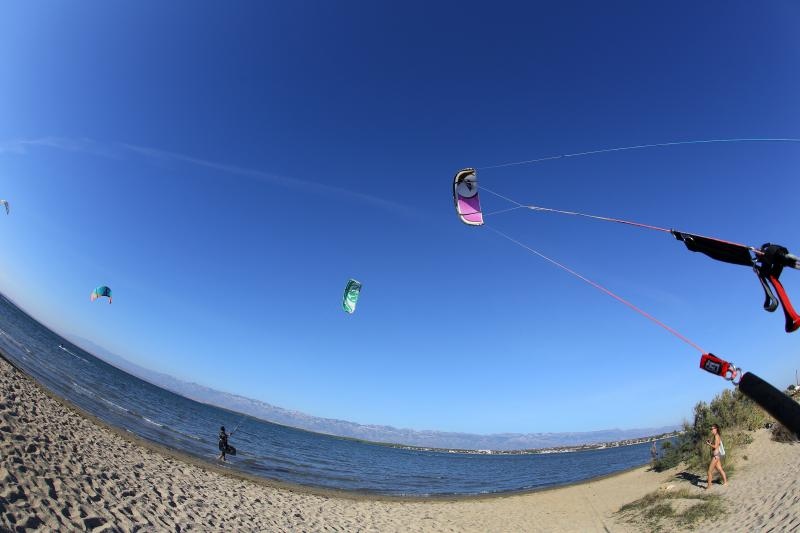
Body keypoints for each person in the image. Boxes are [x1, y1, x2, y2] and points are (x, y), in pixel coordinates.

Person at [705, 424, 728, 489]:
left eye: (712, 429)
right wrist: (711, 443)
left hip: (715, 456)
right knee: (720, 469)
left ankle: (709, 486)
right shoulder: (716, 436)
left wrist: (709, 444)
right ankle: (725, 482)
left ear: (716, 429)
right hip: (717, 456)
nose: (711, 430)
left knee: (709, 471)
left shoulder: (716, 436)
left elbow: (716, 446)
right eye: (711, 429)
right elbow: (716, 445)